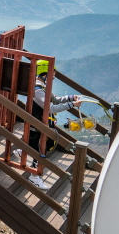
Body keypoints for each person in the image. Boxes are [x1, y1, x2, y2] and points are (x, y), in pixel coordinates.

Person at [17, 59, 79, 190]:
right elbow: (50, 107)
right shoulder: (38, 89)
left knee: (37, 145)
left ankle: (22, 152)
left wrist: (71, 97)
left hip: (39, 122)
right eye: (52, 74)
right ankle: (34, 176)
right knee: (41, 149)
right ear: (45, 74)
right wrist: (72, 105)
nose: (53, 77)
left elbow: (54, 99)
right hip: (38, 122)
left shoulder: (41, 87)